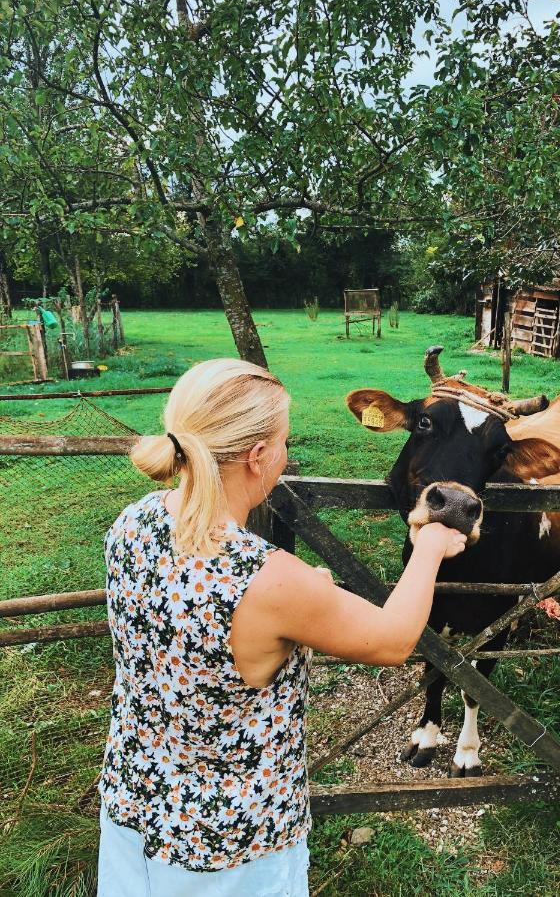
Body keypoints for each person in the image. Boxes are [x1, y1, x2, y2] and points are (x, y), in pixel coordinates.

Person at [97, 358, 466, 897]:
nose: (286, 454)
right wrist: (430, 546)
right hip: (231, 844)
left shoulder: (134, 521)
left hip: (134, 802)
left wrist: (295, 594)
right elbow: (393, 638)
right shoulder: (268, 580)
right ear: (257, 456)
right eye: (285, 442)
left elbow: (196, 618)